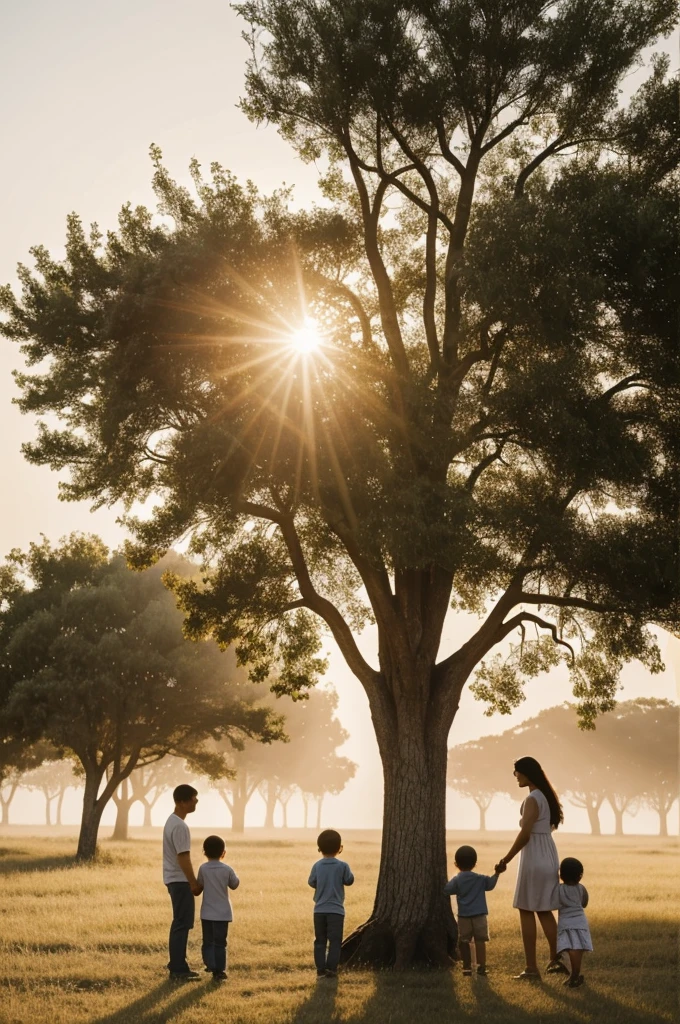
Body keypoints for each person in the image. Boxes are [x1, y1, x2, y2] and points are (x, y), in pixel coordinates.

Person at [496, 756, 567, 980]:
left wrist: (505, 859)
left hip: (534, 856)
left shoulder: (533, 799)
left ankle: (531, 968)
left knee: (526, 909)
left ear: (526, 773)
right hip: (547, 853)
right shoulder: (545, 796)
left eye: (516, 771)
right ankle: (556, 959)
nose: (514, 775)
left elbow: (525, 834)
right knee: (544, 909)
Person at [444, 844, 506, 976]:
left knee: (464, 941)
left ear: (456, 864)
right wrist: (497, 873)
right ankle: (481, 966)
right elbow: (490, 885)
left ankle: (466, 967)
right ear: (475, 863)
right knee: (480, 941)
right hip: (480, 915)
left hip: (464, 916)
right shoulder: (479, 878)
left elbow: (447, 890)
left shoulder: (457, 880)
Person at [163, 784, 200, 980]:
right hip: (179, 880)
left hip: (174, 879)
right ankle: (178, 968)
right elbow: (183, 857)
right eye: (194, 798)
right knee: (182, 923)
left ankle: (178, 964)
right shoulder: (179, 826)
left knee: (180, 922)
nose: (196, 801)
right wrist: (193, 882)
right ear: (182, 802)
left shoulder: (172, 822)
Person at [308, 829, 354, 979]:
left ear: (319, 848)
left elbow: (311, 882)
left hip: (319, 910)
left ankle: (320, 970)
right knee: (335, 942)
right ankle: (331, 969)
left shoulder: (317, 866)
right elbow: (349, 880)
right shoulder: (343, 866)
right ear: (339, 847)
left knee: (320, 941)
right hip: (336, 911)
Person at [195, 834, 240, 982]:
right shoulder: (227, 869)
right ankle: (219, 970)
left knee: (208, 941)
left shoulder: (203, 868)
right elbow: (234, 884)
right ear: (223, 853)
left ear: (204, 852)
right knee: (220, 942)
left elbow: (199, 886)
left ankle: (210, 964)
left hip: (207, 913)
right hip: (222, 914)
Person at [554, 856, 592, 989]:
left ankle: (574, 976)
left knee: (570, 948)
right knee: (578, 948)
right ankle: (575, 974)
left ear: (561, 874)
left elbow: (554, 904)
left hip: (566, 923)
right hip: (581, 922)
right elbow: (584, 903)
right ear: (580, 875)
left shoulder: (559, 889)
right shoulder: (582, 888)